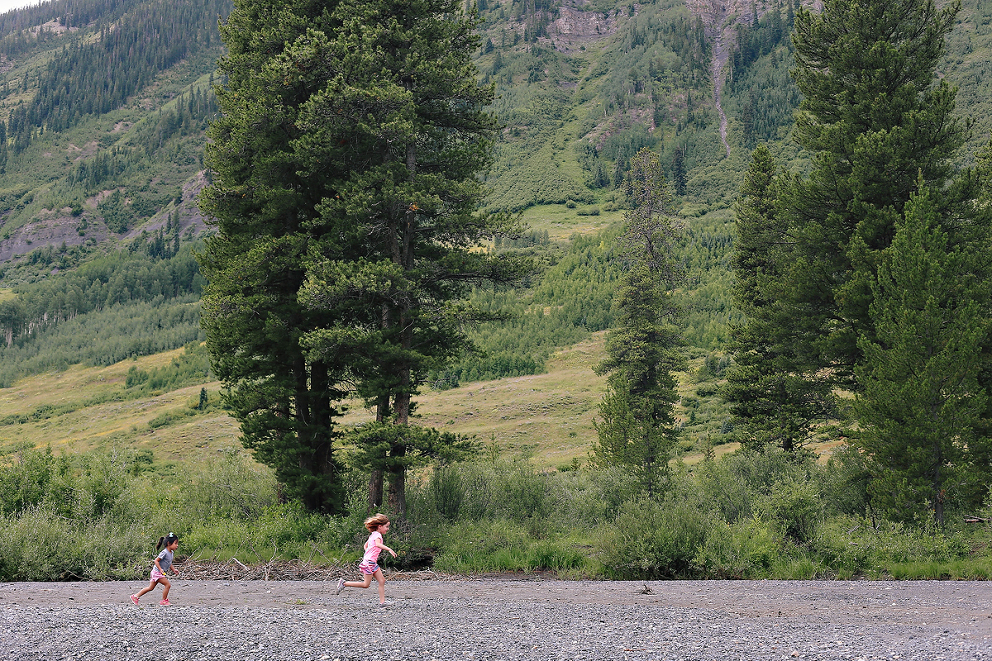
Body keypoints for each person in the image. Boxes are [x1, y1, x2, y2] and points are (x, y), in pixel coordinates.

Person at [335, 514, 397, 606]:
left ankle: (382, 602)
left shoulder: (373, 535)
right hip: (369, 563)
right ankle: (344, 583)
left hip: (371, 562)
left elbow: (366, 546)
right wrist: (389, 549)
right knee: (366, 584)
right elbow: (378, 544)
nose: (387, 529)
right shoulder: (378, 535)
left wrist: (369, 553)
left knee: (382, 581)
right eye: (386, 527)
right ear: (380, 526)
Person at [131, 532, 180, 606]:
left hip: (158, 573)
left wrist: (174, 570)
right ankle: (164, 601)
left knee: (150, 588)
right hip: (157, 573)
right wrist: (160, 569)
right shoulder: (164, 552)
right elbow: (156, 561)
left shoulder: (171, 553)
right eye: (175, 543)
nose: (177, 545)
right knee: (168, 585)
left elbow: (169, 562)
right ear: (169, 543)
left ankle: (135, 596)